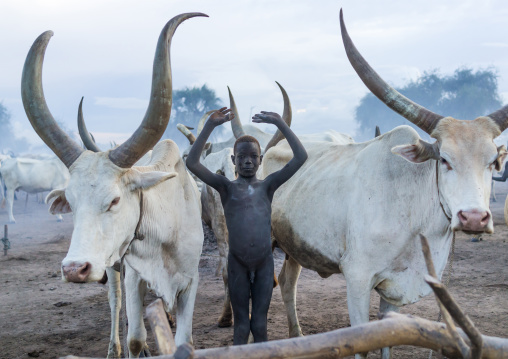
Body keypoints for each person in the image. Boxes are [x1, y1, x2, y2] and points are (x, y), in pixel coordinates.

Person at [186, 107, 307, 345]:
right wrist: (210, 125)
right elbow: (192, 162)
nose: (248, 161)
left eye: (253, 156)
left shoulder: (268, 185)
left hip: (264, 264)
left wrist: (281, 124)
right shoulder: (226, 187)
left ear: (261, 159)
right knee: (241, 328)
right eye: (242, 157)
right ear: (233, 161)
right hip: (237, 263)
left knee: (260, 326)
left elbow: (301, 157)